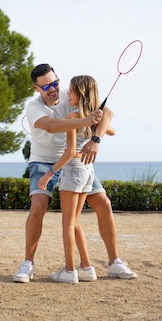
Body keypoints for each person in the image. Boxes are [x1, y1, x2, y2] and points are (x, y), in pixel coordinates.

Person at [12, 63, 137, 283]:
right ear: (36, 88)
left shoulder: (69, 95)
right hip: (44, 161)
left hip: (75, 161)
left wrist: (96, 139)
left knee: (104, 204)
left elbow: (107, 114)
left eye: (55, 82)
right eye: (46, 86)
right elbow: (51, 125)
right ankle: (28, 264)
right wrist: (87, 121)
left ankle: (114, 262)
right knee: (39, 205)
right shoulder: (34, 108)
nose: (53, 89)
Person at [37, 75, 100, 283]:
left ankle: (69, 270)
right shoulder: (93, 119)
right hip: (88, 173)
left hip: (73, 173)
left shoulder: (73, 117)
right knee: (75, 223)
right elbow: (111, 129)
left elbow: (70, 151)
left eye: (71, 91)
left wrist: (49, 173)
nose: (68, 94)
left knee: (67, 224)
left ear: (80, 94)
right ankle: (87, 268)